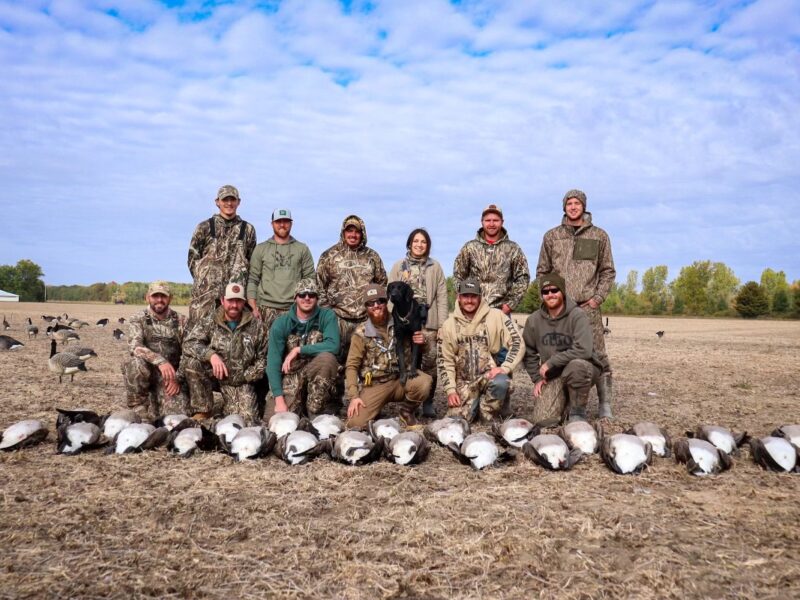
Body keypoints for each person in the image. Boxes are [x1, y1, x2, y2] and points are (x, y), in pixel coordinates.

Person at [536, 189, 616, 418]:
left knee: (598, 355)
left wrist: (596, 299)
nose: (573, 207)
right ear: (564, 207)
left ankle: (605, 404)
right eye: (569, 203)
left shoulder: (599, 236)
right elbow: (543, 271)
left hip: (587, 308)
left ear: (584, 206)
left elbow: (608, 271)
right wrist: (551, 299)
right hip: (559, 310)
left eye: (577, 203)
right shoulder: (552, 236)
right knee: (559, 353)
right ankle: (563, 401)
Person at [437, 278, 524, 423]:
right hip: (464, 383)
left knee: (501, 382)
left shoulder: (497, 316)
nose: (469, 300)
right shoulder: (448, 325)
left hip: (488, 376)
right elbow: (445, 360)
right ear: (459, 297)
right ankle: (473, 406)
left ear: (480, 297)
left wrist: (505, 367)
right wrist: (451, 390)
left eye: (473, 296)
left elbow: (518, 341)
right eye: (465, 296)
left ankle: (488, 412)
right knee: (457, 421)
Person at [521, 273, 604, 425]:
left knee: (577, 366)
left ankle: (577, 411)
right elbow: (529, 351)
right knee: (543, 420)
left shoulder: (577, 315)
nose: (550, 294)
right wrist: (537, 378)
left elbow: (584, 350)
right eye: (545, 292)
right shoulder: (533, 320)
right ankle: (564, 403)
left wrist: (551, 362)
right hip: (553, 375)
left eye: (554, 290)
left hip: (583, 369)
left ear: (562, 292)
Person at [345, 284, 431, 428]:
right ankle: (375, 408)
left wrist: (424, 341)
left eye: (380, 301)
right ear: (365, 307)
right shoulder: (360, 333)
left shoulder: (401, 320)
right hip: (375, 384)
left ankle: (407, 412)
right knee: (356, 423)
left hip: (400, 380)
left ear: (387, 301)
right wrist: (354, 396)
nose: (376, 306)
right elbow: (351, 366)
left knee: (424, 382)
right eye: (370, 303)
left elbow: (423, 347)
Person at [181, 283, 268, 423]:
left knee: (246, 420)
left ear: (244, 302)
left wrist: (246, 376)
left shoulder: (256, 326)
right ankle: (203, 409)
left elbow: (263, 358)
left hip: (240, 381)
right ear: (222, 300)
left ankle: (228, 404)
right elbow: (189, 343)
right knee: (192, 362)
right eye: (230, 300)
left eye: (238, 301)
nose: (234, 305)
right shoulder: (210, 321)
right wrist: (211, 355)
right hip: (214, 376)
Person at [388, 228, 448, 417]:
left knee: (430, 361)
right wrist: (392, 319)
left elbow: (442, 296)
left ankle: (428, 401)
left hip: (427, 320)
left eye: (423, 242)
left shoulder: (435, 267)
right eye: (416, 241)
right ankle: (409, 399)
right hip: (403, 319)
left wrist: (442, 325)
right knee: (405, 358)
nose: (419, 245)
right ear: (409, 243)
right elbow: (389, 295)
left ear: (428, 246)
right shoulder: (399, 266)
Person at [266, 279, 340, 418]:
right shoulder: (281, 323)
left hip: (316, 373)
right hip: (291, 377)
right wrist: (279, 399)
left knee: (327, 359)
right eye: (302, 294)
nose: (307, 298)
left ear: (317, 298)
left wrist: (298, 350)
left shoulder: (327, 316)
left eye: (311, 295)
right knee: (273, 418)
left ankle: (314, 411)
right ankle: (298, 405)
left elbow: (333, 345)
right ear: (295, 298)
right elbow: (273, 364)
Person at [317, 214, 387, 360]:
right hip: (337, 319)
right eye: (349, 231)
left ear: (362, 234)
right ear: (343, 232)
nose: (353, 235)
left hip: (366, 318)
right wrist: (328, 314)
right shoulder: (329, 255)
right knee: (336, 358)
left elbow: (382, 284)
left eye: (357, 231)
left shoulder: (372, 256)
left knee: (366, 358)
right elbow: (319, 285)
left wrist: (375, 310)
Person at [187, 184, 257, 325]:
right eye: (225, 200)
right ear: (217, 202)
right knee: (200, 335)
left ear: (239, 202)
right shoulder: (204, 227)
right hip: (206, 299)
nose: (229, 203)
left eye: (232, 199)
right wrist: (205, 282)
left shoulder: (247, 229)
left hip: (235, 299)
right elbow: (192, 259)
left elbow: (252, 261)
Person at [121, 281, 188, 419]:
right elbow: (135, 346)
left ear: (170, 298)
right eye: (155, 296)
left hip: (170, 377)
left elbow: (189, 352)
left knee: (176, 418)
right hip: (147, 372)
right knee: (135, 363)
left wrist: (177, 378)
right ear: (147, 297)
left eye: (163, 296)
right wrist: (160, 361)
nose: (159, 300)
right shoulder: (138, 318)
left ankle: (157, 402)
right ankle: (138, 405)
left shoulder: (181, 321)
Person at [247, 208, 315, 336]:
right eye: (278, 221)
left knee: (293, 350)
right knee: (265, 350)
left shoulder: (302, 249)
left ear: (291, 223)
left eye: (286, 221)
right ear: (272, 223)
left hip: (293, 310)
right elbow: (252, 280)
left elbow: (310, 279)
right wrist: (253, 307)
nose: (282, 225)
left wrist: (305, 308)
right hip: (265, 310)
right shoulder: (261, 249)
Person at [453, 204, 530, 315]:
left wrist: (509, 305)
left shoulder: (513, 249)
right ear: (482, 222)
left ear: (502, 222)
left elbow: (523, 278)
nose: (491, 224)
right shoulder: (469, 247)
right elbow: (458, 275)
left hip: (500, 312)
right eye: (488, 220)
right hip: (473, 312)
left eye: (495, 220)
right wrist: (464, 301)